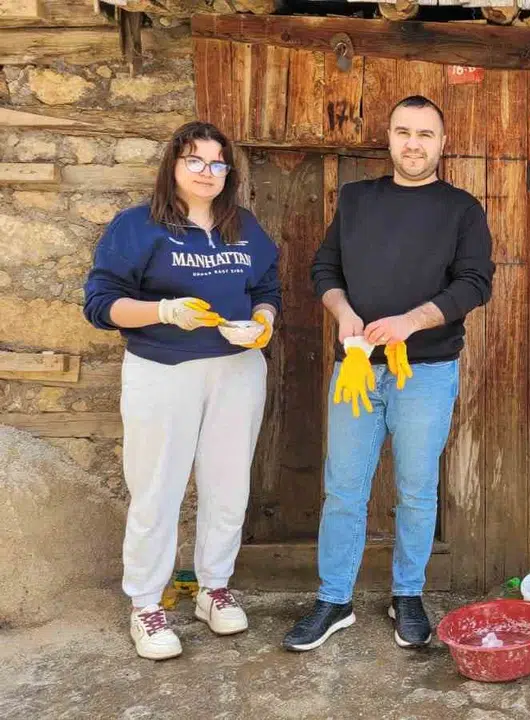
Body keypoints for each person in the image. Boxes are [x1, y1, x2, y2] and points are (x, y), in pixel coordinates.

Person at [283, 95, 494, 652]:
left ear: (442, 143)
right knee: (343, 489)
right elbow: (324, 267)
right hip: (355, 370)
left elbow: (475, 283)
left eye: (426, 134)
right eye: (404, 131)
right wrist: (344, 312)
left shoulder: (462, 209)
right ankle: (334, 600)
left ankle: (408, 595)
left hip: (425, 371)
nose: (414, 144)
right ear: (390, 137)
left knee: (417, 491)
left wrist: (411, 321)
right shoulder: (356, 200)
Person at [83, 121, 280, 660]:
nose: (208, 172)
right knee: (157, 489)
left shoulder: (244, 227)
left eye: (218, 164)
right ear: (173, 165)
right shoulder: (137, 227)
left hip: (237, 369)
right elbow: (101, 303)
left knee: (228, 486)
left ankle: (214, 588)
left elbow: (265, 286)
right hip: (161, 369)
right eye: (195, 160)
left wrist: (262, 321)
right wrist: (164, 311)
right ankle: (146, 603)